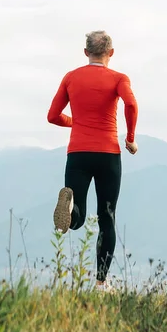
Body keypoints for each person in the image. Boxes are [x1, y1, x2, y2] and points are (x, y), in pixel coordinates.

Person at [47, 30, 138, 290]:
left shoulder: (71, 77)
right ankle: (100, 283)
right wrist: (130, 137)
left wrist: (77, 123)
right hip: (108, 154)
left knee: (77, 219)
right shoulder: (119, 78)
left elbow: (53, 116)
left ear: (86, 52)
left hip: (78, 153)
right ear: (111, 53)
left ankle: (70, 209)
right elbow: (131, 104)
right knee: (106, 218)